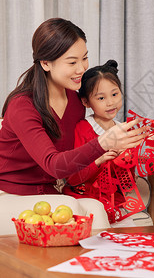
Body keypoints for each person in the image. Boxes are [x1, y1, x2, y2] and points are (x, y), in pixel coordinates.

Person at [0, 18, 147, 235]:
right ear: (45, 63)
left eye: (84, 59)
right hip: (1, 198)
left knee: (96, 208)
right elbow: (53, 165)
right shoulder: (22, 105)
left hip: (46, 196)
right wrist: (104, 142)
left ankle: (104, 266)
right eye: (72, 62)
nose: (82, 68)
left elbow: (73, 158)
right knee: (72, 209)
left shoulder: (76, 103)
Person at [63, 59, 137, 226]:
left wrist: (129, 157)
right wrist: (100, 160)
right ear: (86, 102)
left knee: (130, 237)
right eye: (101, 98)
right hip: (84, 200)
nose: (110, 102)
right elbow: (73, 178)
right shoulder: (82, 129)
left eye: (115, 94)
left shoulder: (125, 130)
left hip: (115, 204)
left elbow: (128, 180)